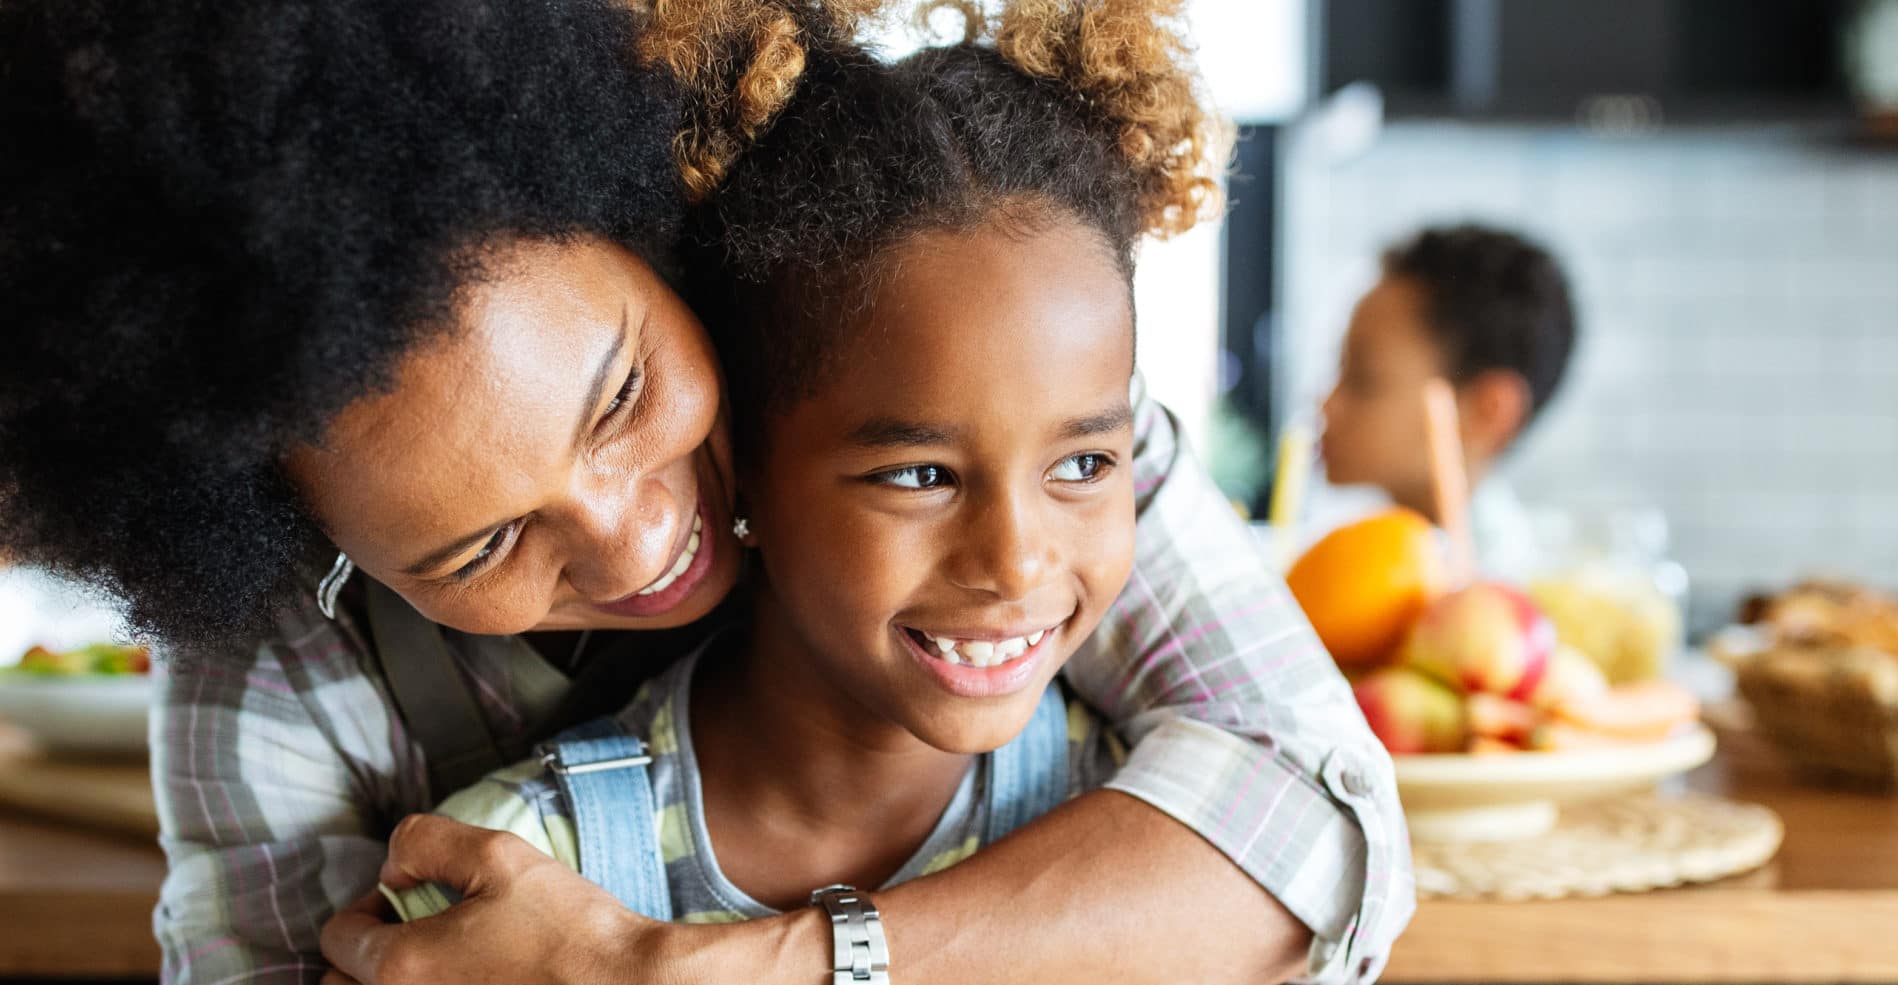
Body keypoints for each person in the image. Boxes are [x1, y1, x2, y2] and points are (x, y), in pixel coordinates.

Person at [0, 1, 1407, 982]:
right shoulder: (276, 680)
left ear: (639, 217)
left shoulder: (961, 403)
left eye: (620, 395)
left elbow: (1322, 826)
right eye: (485, 539)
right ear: (307, 541)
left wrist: (698, 971)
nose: (634, 535)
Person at [391, 11, 1288, 947]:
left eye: (1083, 463)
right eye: (921, 474)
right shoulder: (508, 890)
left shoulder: (1171, 835)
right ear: (743, 469)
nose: (1018, 562)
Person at [1317, 224, 1579, 581]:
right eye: (1339, 369)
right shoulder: (1345, 564)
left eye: (1364, 380)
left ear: (1487, 411)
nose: (1326, 405)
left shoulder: (1496, 599)